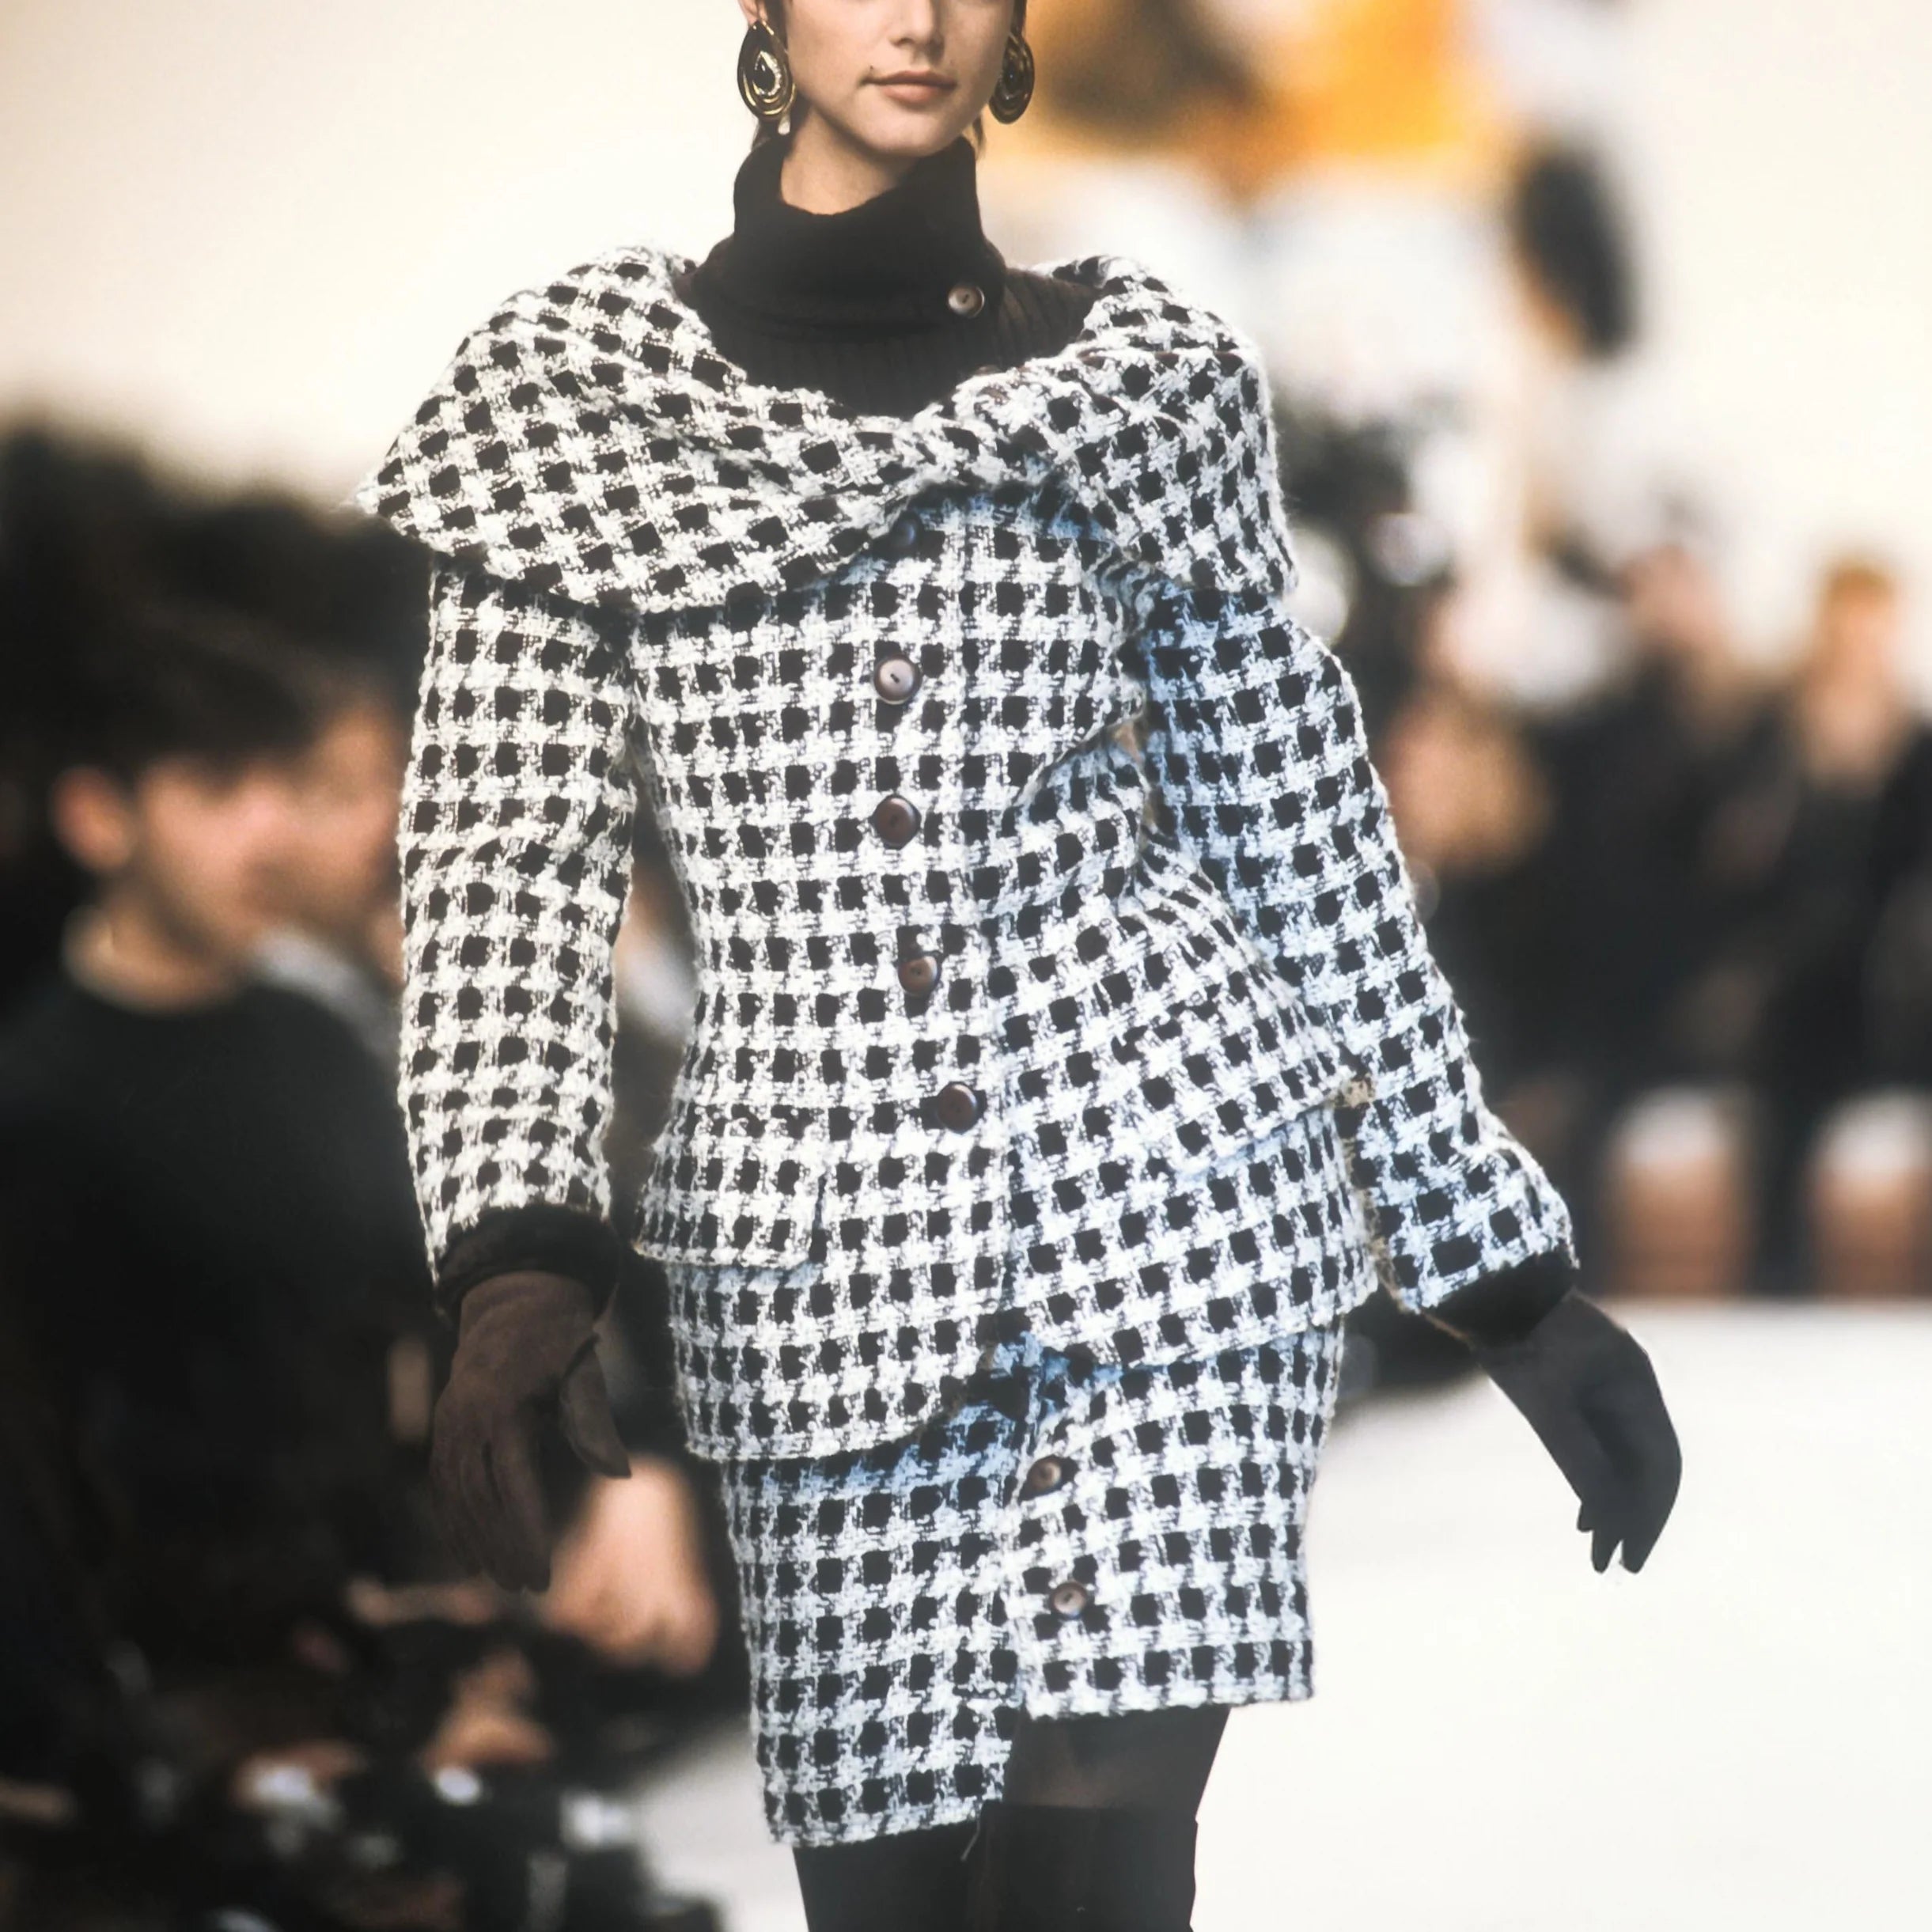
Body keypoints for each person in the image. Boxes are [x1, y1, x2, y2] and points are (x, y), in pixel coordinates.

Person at [358, 5, 1683, 1927]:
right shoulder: (576, 401)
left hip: (1176, 1199)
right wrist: (514, 1249)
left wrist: (1501, 1271)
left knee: (1095, 1879)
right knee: (890, 1905)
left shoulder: (1145, 385)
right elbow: (505, 857)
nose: (915, 18)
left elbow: (1297, 829)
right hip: (811, 1268)